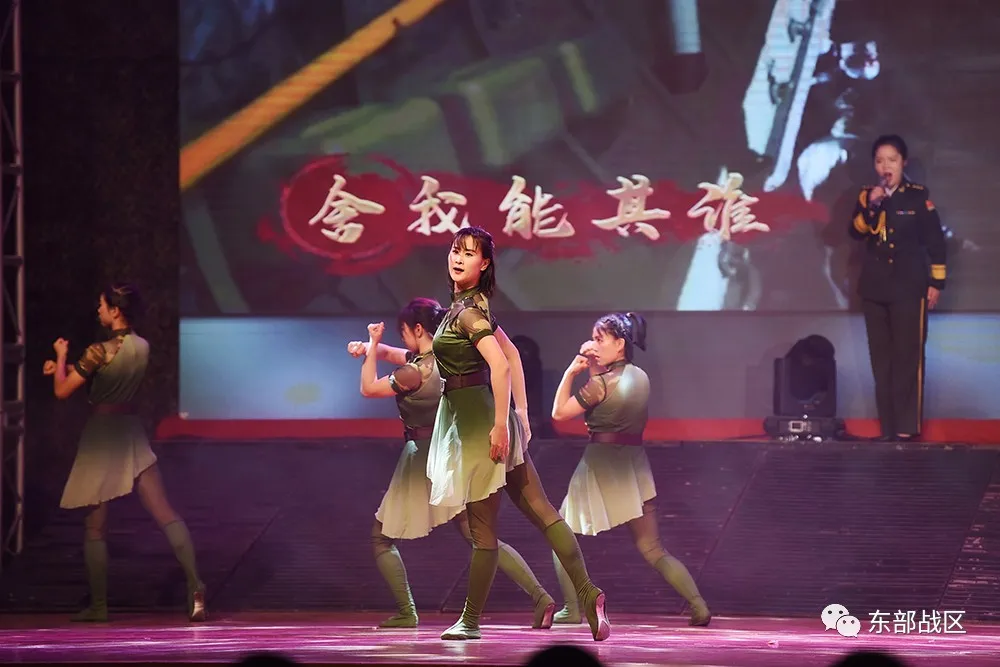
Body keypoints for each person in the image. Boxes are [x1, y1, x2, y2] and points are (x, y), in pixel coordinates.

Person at [426, 226, 610, 642]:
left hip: (478, 426)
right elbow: (511, 353)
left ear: (484, 264)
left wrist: (499, 424)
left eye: (469, 253)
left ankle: (470, 621)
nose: (458, 258)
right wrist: (520, 415)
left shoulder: (469, 313)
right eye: (455, 250)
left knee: (483, 532)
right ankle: (587, 592)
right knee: (542, 512)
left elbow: (500, 364)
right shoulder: (472, 307)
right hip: (487, 418)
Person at [346, 298, 556, 629]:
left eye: (404, 332)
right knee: (479, 536)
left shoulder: (413, 371)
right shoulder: (446, 361)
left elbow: (368, 388)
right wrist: (369, 347)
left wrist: (371, 345)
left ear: (418, 329)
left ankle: (406, 611)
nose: (402, 340)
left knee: (381, 538)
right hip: (449, 454)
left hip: (421, 460)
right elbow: (392, 353)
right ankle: (540, 596)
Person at [43, 283, 205, 622]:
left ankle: (99, 606)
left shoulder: (98, 350)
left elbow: (62, 391)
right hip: (130, 431)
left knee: (95, 527)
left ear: (115, 310)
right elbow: (105, 373)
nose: (98, 311)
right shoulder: (141, 346)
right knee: (164, 511)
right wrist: (67, 367)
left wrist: (60, 358)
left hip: (102, 437)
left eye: (102, 306)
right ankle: (195, 583)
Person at [549, 312, 711, 627]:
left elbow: (559, 413)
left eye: (599, 339)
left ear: (619, 343)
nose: (593, 344)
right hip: (635, 467)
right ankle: (698, 604)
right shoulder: (640, 377)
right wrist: (594, 365)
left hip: (601, 465)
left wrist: (571, 371)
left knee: (560, 536)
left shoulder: (601, 384)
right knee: (653, 548)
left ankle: (572, 608)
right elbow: (609, 395)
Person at [849, 135, 946, 441]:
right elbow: (855, 232)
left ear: (903, 162)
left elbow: (936, 242)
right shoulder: (868, 196)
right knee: (882, 361)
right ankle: (888, 428)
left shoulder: (917, 198)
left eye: (891, 160)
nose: (885, 166)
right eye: (880, 161)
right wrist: (872, 205)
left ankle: (906, 427)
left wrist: (936, 282)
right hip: (875, 288)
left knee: (907, 358)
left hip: (909, 286)